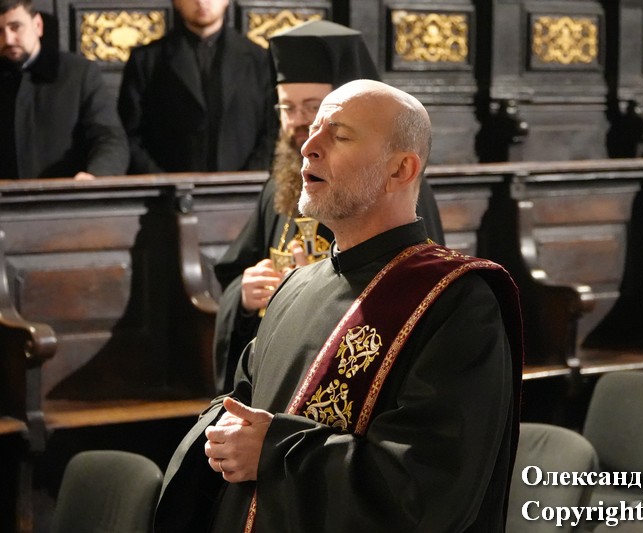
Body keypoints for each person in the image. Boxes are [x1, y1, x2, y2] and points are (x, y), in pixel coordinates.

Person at [154, 79, 524, 532]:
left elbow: (429, 488)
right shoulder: (296, 286)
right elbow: (241, 402)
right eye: (313, 130)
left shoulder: (455, 299)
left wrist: (275, 452)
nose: (308, 146)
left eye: (340, 135)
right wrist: (224, 434)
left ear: (400, 169)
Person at [212, 20, 444, 393]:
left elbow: (414, 299)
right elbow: (236, 271)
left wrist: (318, 289)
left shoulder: (393, 187)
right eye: (287, 108)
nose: (300, 127)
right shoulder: (281, 182)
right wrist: (244, 293)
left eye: (314, 109)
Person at [117, 0, 274, 174]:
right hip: (165, 186)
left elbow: (273, 130)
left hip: (246, 185)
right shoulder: (146, 60)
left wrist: (248, 179)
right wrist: (162, 181)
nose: (201, 2)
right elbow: (128, 135)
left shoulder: (259, 59)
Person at [0, 0, 128, 179]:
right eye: (0, 31)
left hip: (67, 193)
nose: (8, 39)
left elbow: (109, 138)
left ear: (37, 26)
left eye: (16, 27)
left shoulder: (79, 73)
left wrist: (96, 176)